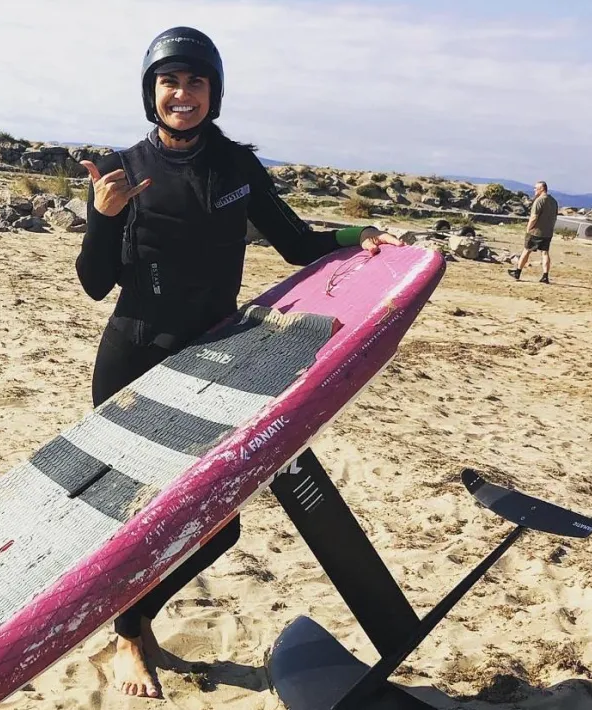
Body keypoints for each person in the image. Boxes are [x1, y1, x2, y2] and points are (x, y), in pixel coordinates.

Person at [74, 26, 403, 699]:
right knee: (132, 512)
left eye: (195, 82)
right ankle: (131, 634)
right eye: (170, 82)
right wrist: (104, 219)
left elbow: (293, 243)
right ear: (151, 91)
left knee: (218, 526)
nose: (182, 94)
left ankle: (130, 624)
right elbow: (94, 281)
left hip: (211, 360)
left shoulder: (238, 168)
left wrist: (355, 237)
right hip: (132, 354)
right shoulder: (121, 168)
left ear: (213, 93)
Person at [508, 180, 558, 283]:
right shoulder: (553, 201)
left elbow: (534, 216)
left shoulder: (539, 201)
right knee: (545, 253)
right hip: (548, 232)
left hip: (536, 231)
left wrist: (529, 228)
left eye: (536, 188)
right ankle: (545, 276)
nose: (534, 190)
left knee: (526, 250)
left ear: (541, 189)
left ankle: (517, 272)